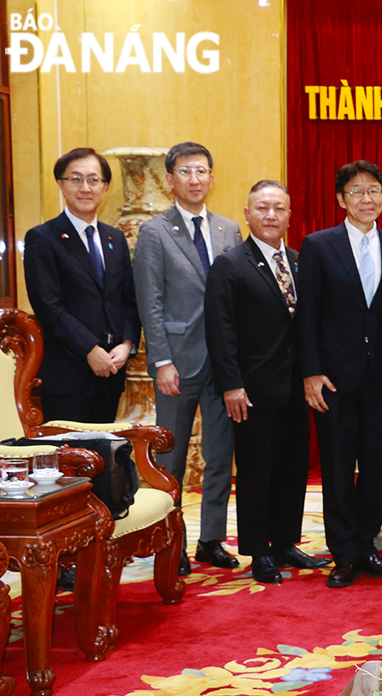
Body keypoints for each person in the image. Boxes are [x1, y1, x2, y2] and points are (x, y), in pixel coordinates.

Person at [205, 181, 329, 584]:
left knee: (292, 467)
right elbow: (220, 331)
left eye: (279, 208)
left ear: (290, 215)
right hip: (251, 389)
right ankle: (259, 551)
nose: (271, 215)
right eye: (262, 208)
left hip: (296, 386)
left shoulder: (298, 261)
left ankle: (286, 542)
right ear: (247, 213)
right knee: (257, 472)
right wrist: (231, 385)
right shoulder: (230, 263)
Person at [297, 160, 382, 589]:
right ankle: (343, 553)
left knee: (376, 468)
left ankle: (368, 545)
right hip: (334, 379)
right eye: (357, 192)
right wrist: (311, 373)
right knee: (339, 467)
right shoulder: (318, 245)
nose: (367, 199)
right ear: (341, 199)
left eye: (374, 191)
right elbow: (306, 316)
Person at [133, 142, 241, 574]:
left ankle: (211, 539)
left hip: (224, 364)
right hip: (178, 361)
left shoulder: (229, 229)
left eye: (202, 171)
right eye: (185, 172)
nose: (195, 179)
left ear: (212, 177)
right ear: (171, 178)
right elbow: (150, 301)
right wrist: (161, 360)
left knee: (220, 456)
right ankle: (169, 543)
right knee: (170, 459)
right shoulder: (155, 232)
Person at [24, 148, 139, 425]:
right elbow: (49, 307)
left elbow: (128, 301)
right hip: (68, 375)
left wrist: (126, 344)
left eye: (93, 180)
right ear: (61, 184)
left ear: (105, 187)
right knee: (71, 461)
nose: (85, 188)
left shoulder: (115, 238)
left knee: (104, 458)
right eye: (75, 179)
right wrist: (90, 349)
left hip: (112, 370)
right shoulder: (43, 237)